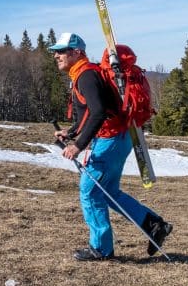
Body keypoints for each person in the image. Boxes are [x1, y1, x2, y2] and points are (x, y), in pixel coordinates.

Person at [49, 32, 172, 261]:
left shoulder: (85, 75)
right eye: (55, 52)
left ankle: (101, 249)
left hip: (110, 140)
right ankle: (154, 225)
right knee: (109, 193)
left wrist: (78, 145)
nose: (56, 56)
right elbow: (91, 112)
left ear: (76, 52)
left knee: (90, 192)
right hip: (119, 137)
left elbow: (98, 112)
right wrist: (72, 131)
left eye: (61, 51)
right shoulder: (85, 74)